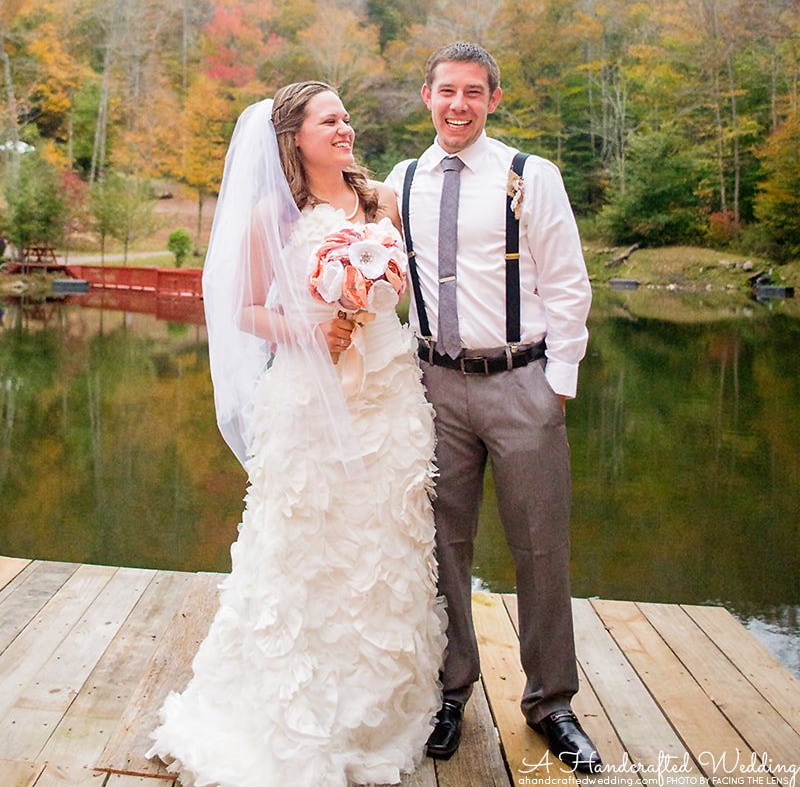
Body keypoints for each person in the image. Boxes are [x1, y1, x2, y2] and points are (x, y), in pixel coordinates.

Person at [147, 82, 446, 787]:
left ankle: (377, 709)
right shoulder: (272, 215)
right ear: (296, 136)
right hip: (309, 395)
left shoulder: (381, 201)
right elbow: (245, 308)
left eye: (346, 118)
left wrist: (368, 298)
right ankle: (295, 707)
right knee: (308, 541)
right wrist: (311, 331)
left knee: (382, 539)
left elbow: (403, 288)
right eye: (329, 120)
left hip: (388, 392)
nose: (345, 128)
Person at [385, 42, 601, 774]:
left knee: (540, 543)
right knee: (442, 544)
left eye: (474, 92)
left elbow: (568, 283)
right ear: (426, 96)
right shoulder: (402, 180)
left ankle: (551, 702)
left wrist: (556, 384)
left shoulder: (530, 176)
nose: (459, 105)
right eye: (447, 90)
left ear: (493, 100)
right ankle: (450, 691)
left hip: (521, 381)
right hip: (432, 386)